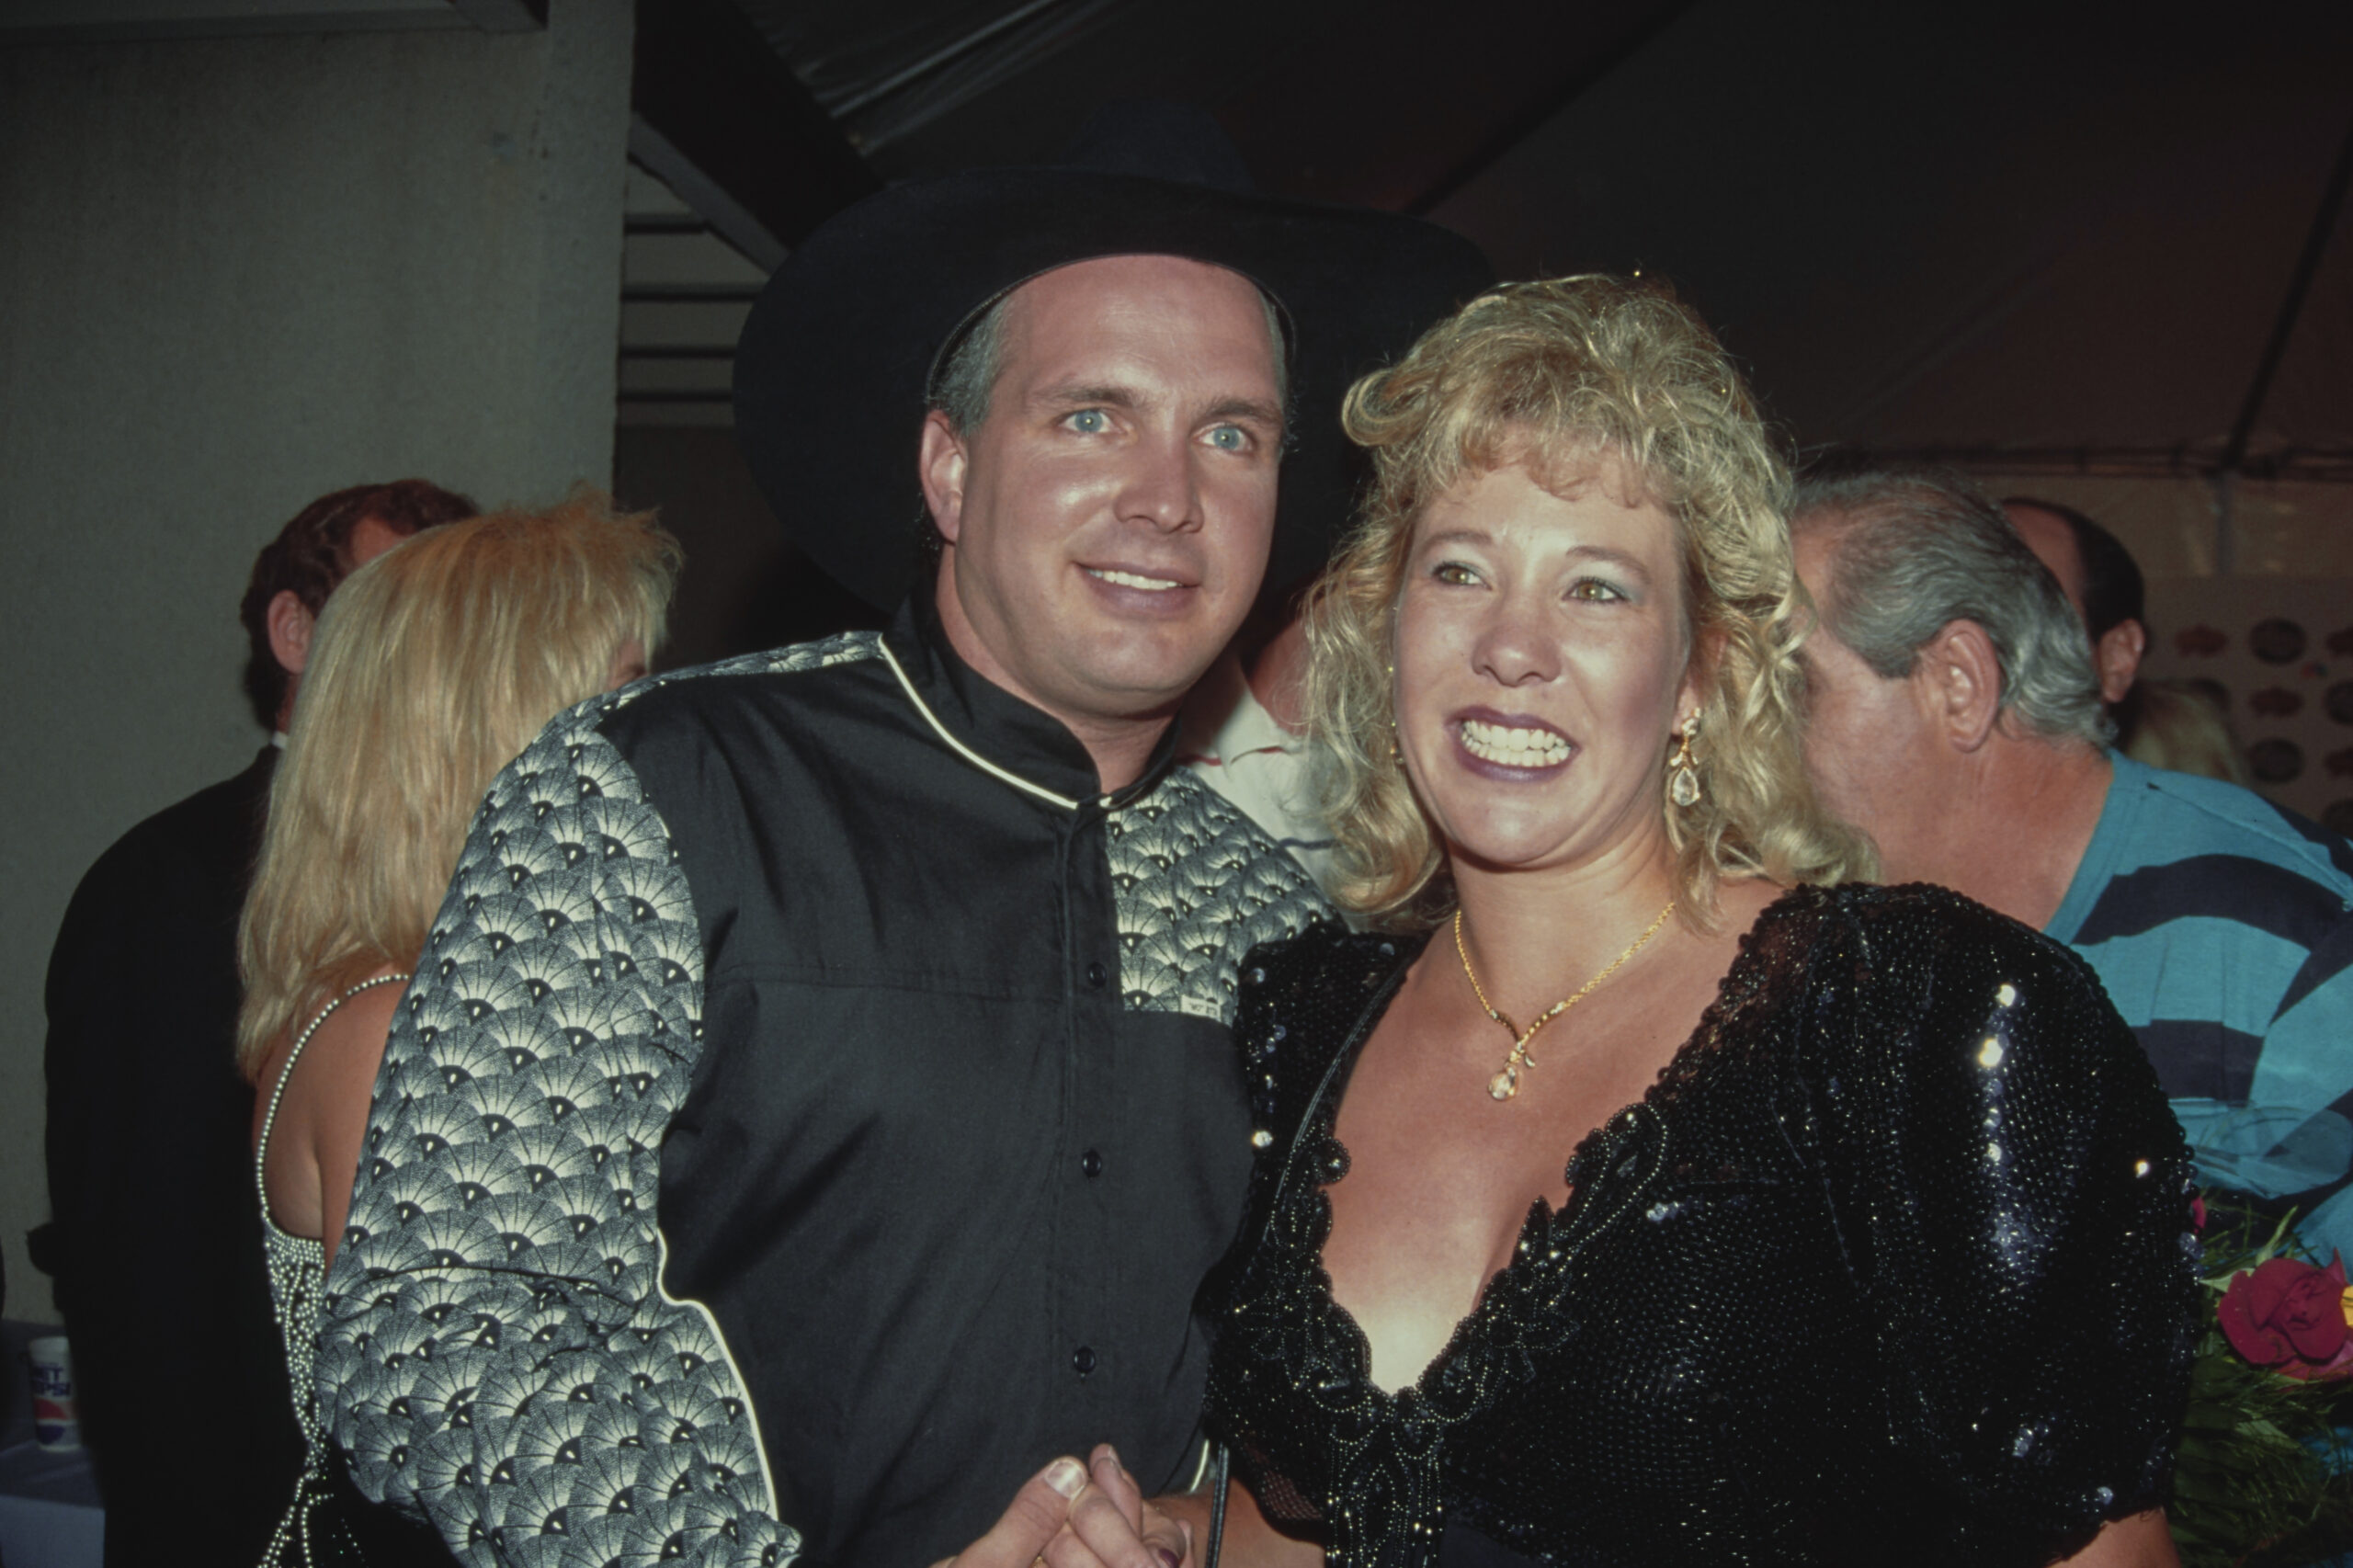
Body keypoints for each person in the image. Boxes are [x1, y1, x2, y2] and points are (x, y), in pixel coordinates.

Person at [315, 144, 1491, 1568]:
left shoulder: (1270, 912)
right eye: (1092, 417)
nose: (1169, 495)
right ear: (950, 464)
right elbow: (439, 1320)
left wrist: (1206, 1521)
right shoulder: (661, 789)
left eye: (1230, 434)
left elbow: (1282, 1350)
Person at [1188, 278, 2198, 1568]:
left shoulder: (1916, 1019)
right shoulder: (1299, 1021)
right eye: (1459, 570)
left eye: (1597, 589)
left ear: (1702, 675)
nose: (1512, 643)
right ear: (1389, 631)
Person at [233, 493, 677, 1565]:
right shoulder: (394, 1023)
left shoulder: (462, 994)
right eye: (621, 702)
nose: (662, 739)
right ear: (501, 733)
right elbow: (484, 1444)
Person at [40, 477, 472, 1568]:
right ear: (296, 630)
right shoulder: (172, 884)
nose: (426, 656)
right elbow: (142, 1274)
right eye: (392, 614)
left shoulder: (470, 874)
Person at [1790, 469, 2353, 1259]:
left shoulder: (2301, 944)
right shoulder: (1811, 936)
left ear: (1959, 684)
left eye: (1787, 691)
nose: (1732, 746)